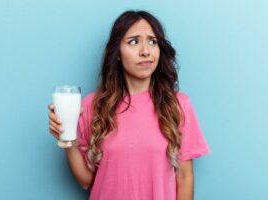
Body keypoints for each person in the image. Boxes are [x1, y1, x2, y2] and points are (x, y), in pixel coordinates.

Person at [48, 10, 210, 200]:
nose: (145, 51)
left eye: (152, 41)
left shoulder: (178, 105)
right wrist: (68, 141)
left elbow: (184, 177)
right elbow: (86, 181)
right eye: (133, 41)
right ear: (117, 53)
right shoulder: (92, 105)